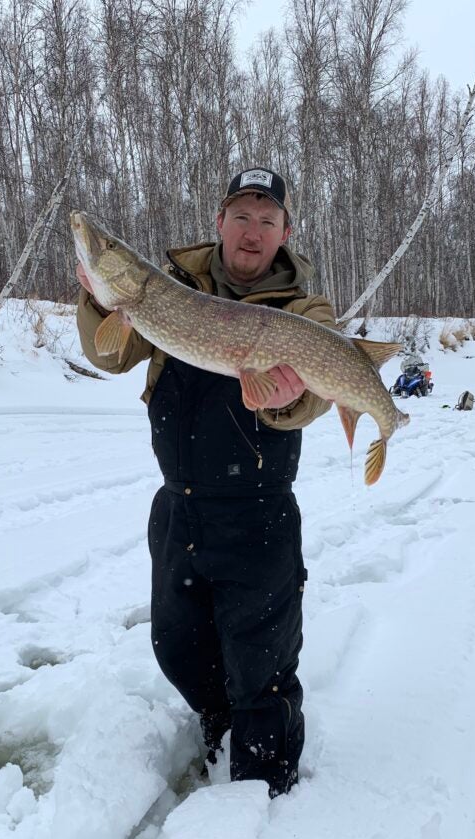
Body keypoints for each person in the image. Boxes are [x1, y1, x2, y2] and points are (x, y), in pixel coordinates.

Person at [75, 167, 337, 797]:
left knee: (262, 662)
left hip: (258, 511)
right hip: (179, 505)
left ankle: (267, 792)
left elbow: (317, 398)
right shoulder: (168, 291)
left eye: (267, 219)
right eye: (241, 216)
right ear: (219, 221)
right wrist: (95, 295)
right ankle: (218, 727)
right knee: (178, 643)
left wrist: (284, 401)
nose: (252, 231)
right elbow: (108, 355)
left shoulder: (305, 309)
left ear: (286, 232)